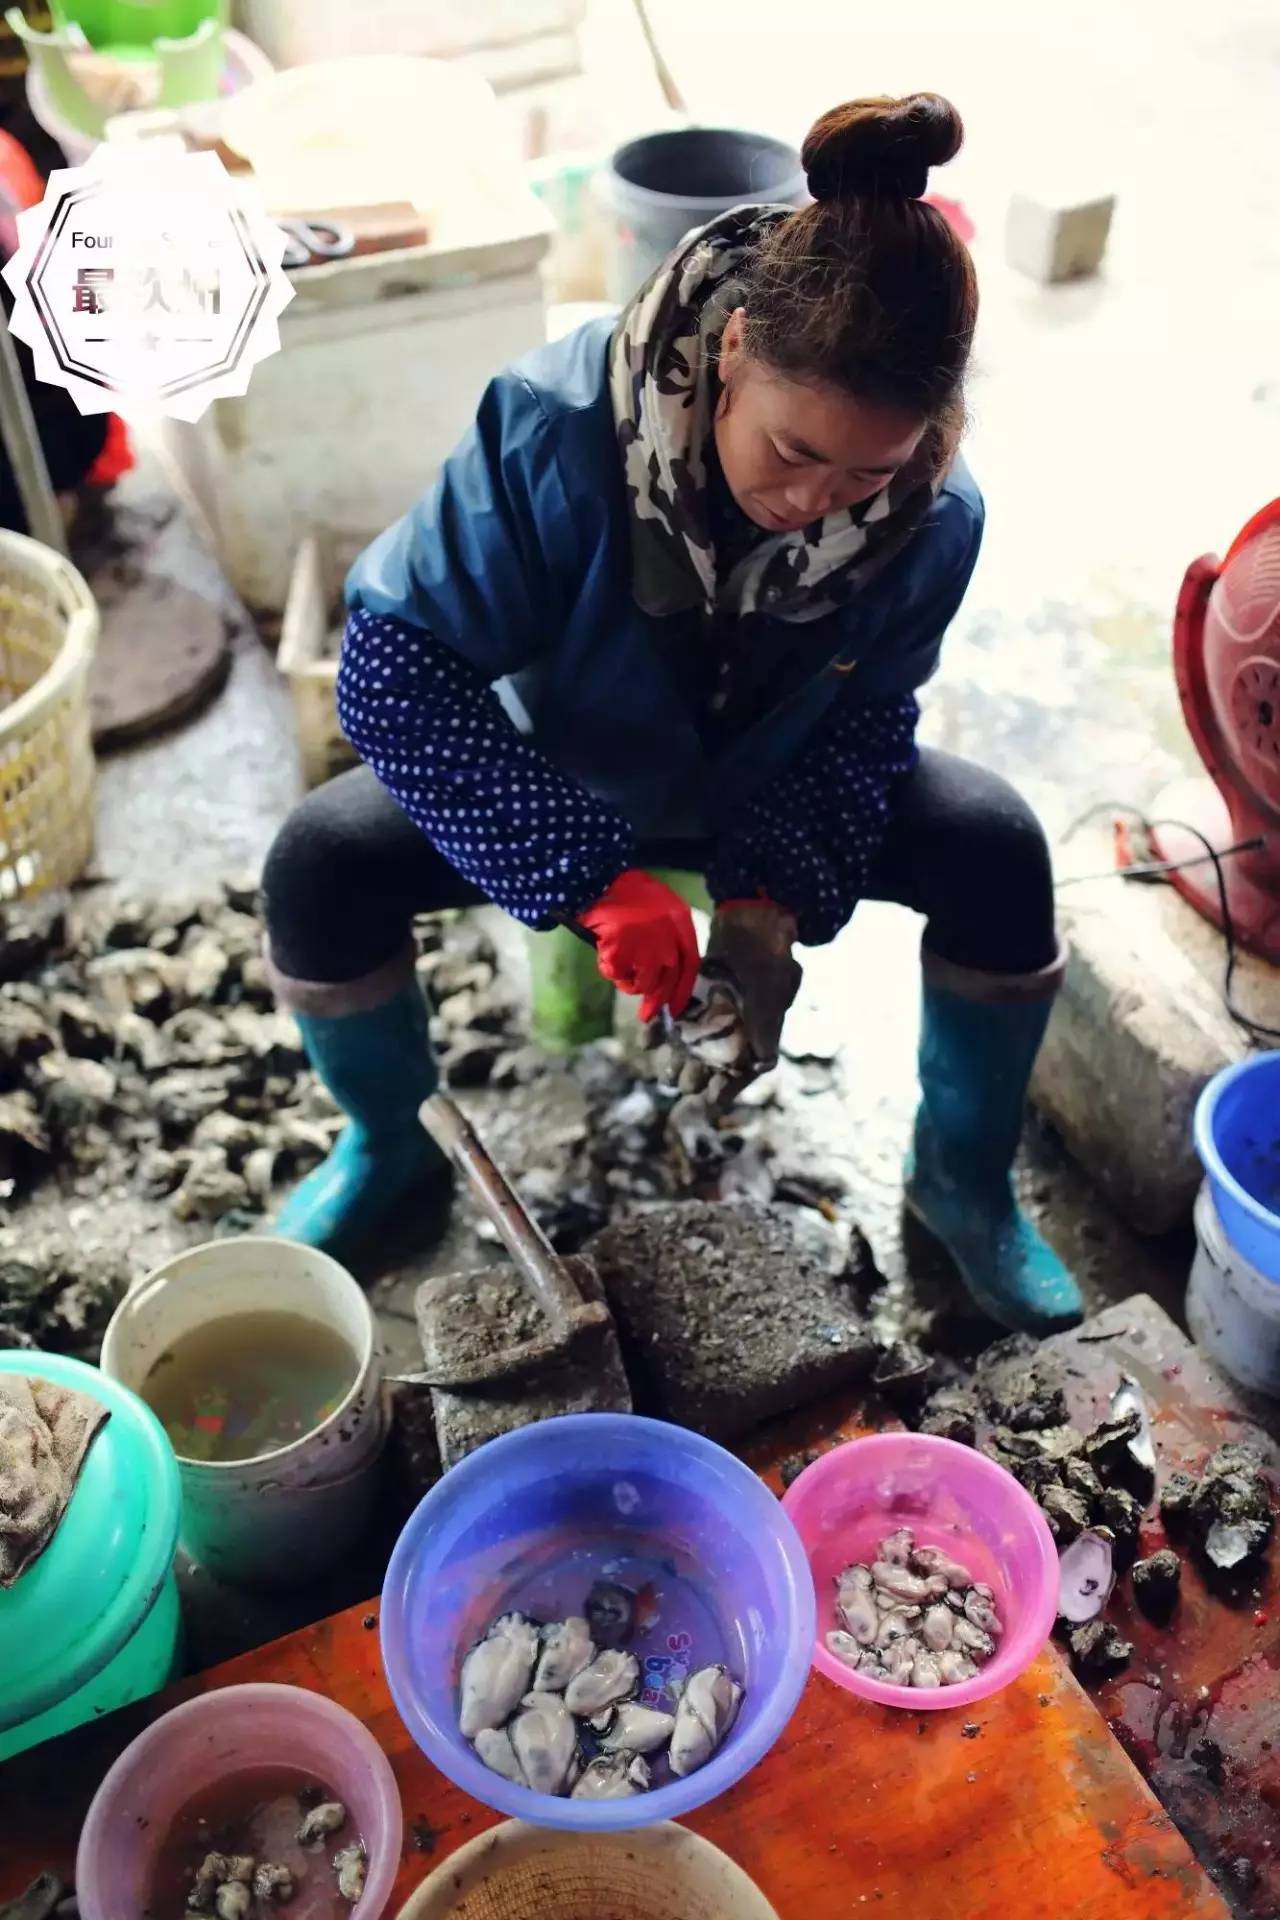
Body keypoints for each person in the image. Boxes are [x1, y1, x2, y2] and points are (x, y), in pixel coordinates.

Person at [261, 92, 1081, 1334]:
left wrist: (766, 906)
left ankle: (962, 1185)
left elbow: (867, 724)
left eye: (867, 471)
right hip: (565, 783)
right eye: (793, 451)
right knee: (318, 865)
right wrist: (587, 877)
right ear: (735, 347)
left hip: (764, 789)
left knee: (999, 853)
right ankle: (390, 1149)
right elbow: (393, 670)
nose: (817, 500)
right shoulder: (554, 431)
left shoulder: (933, 519)